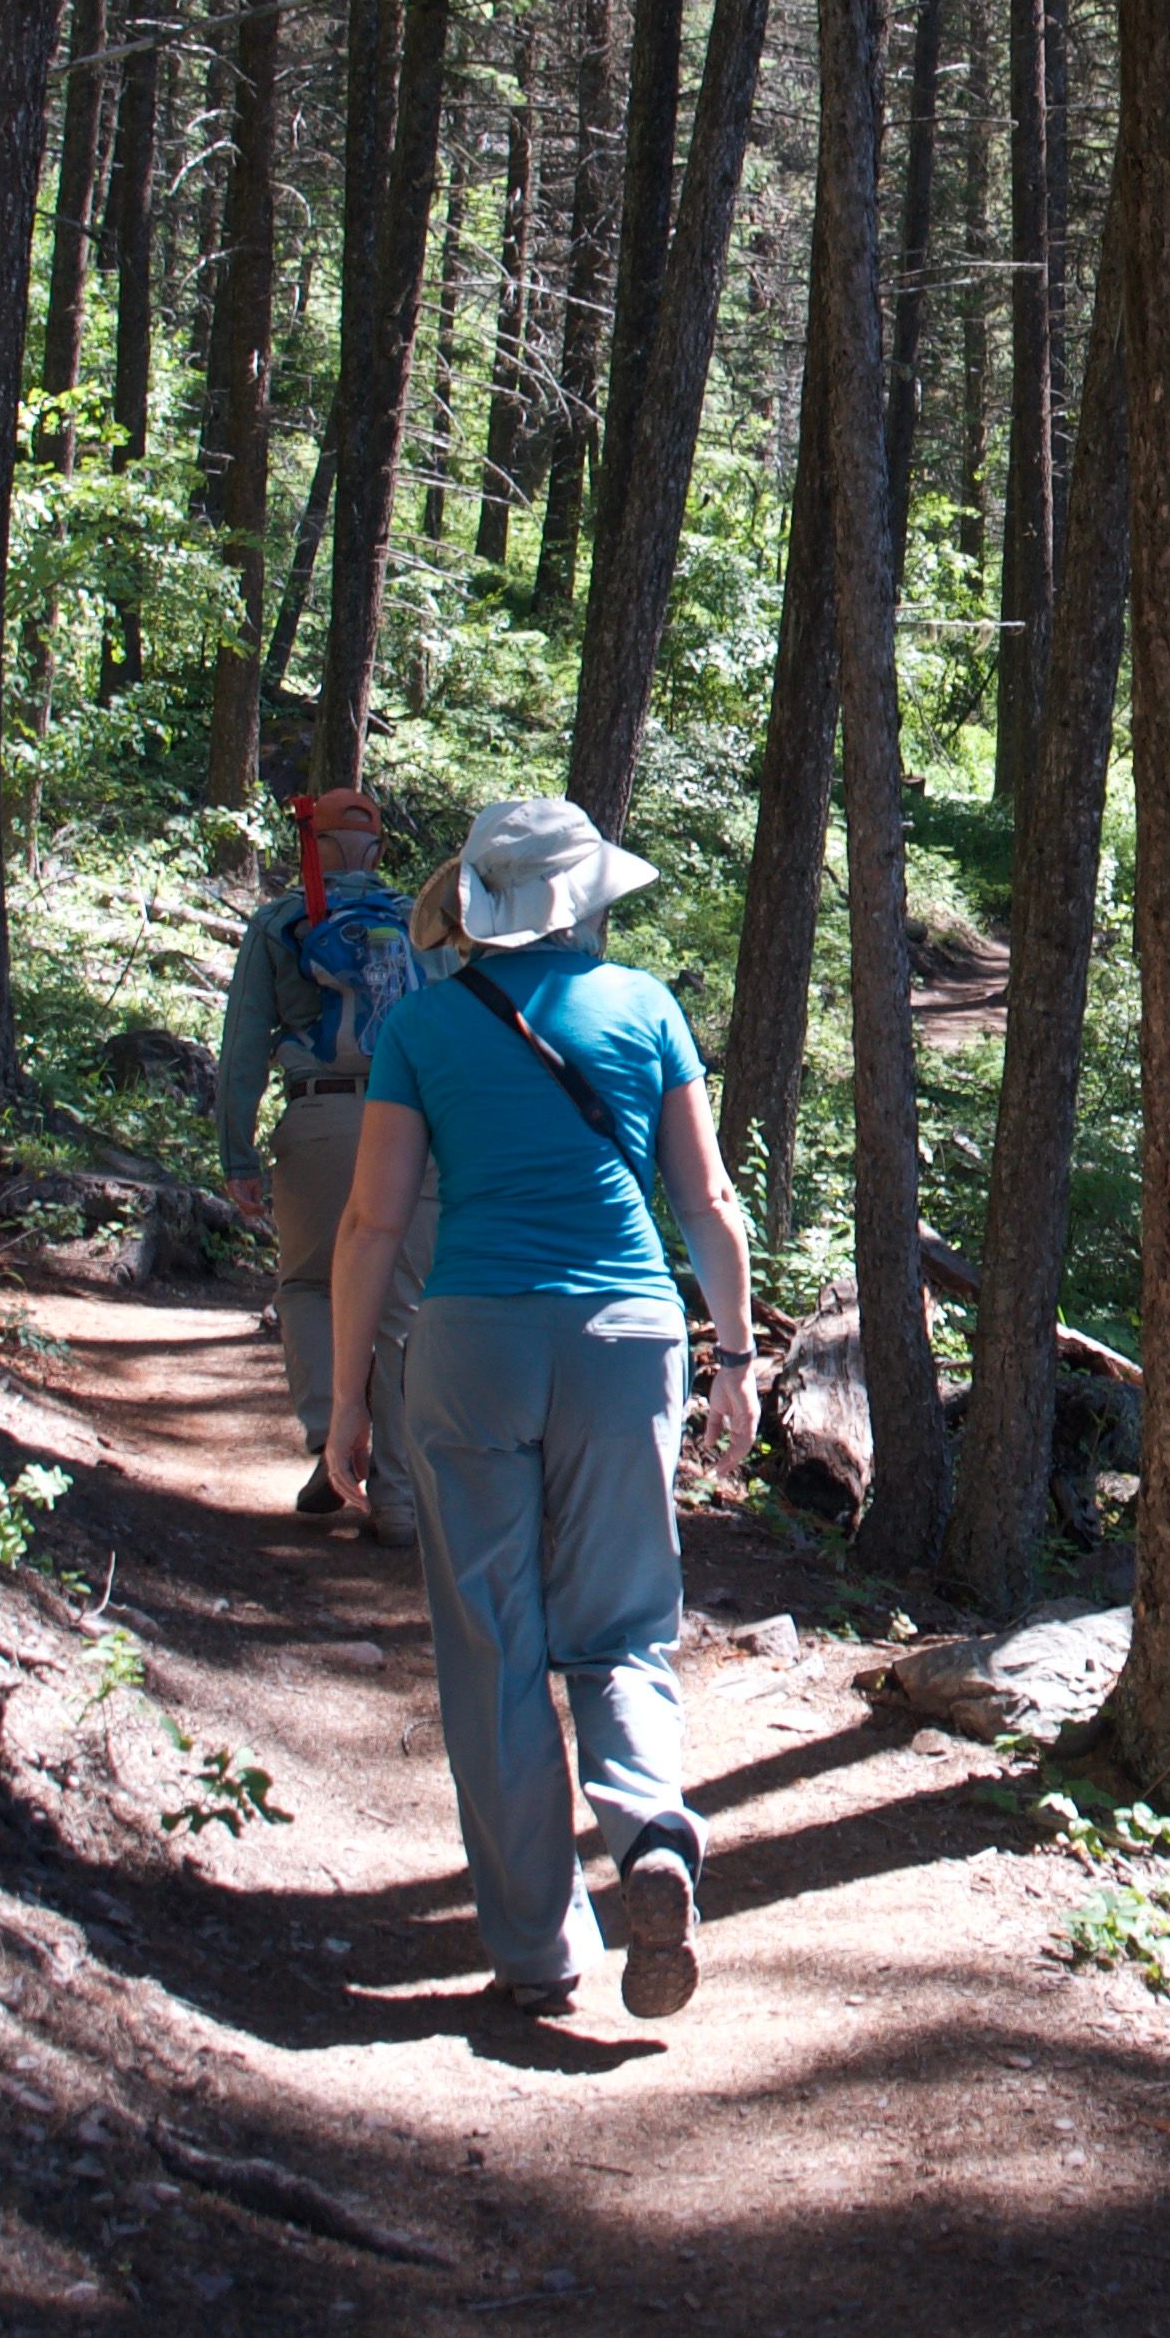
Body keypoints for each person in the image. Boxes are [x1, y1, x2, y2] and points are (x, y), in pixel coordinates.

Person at [317, 795, 761, 2022]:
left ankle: (534, 1949)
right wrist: (735, 1356)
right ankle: (650, 1833)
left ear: (477, 901)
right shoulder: (645, 1008)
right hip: (625, 1337)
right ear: (588, 899)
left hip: (472, 1342)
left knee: (491, 1645)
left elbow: (371, 1222)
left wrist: (347, 1398)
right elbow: (709, 1201)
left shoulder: (418, 1026)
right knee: (621, 1626)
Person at [216, 787, 433, 1536]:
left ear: (314, 846)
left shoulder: (279, 921)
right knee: (403, 1311)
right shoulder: (419, 920)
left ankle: (332, 1444)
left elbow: (243, 1046)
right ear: (373, 851)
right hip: (413, 1125)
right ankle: (400, 1499)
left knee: (310, 1284)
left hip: (319, 1118)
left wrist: (236, 1150)